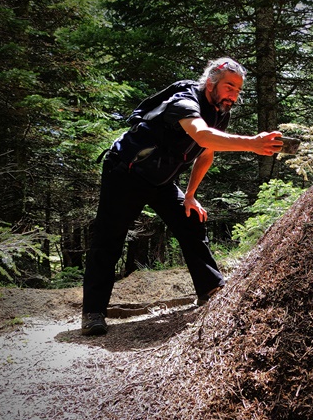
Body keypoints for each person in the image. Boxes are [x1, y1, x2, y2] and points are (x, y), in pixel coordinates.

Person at [81, 58, 282, 336]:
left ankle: (210, 290)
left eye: (238, 90)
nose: (233, 95)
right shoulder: (184, 101)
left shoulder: (220, 112)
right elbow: (203, 136)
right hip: (126, 172)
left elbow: (206, 153)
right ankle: (93, 312)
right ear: (211, 82)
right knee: (109, 239)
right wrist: (252, 143)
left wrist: (190, 195)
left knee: (191, 220)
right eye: (229, 87)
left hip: (162, 179)